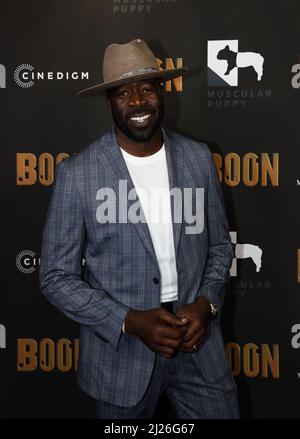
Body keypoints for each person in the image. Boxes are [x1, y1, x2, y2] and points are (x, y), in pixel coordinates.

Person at [40, 38, 239, 419]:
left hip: (199, 345)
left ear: (162, 93)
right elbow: (54, 276)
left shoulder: (198, 159)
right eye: (123, 93)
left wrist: (207, 303)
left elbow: (218, 247)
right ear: (109, 102)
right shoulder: (78, 175)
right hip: (120, 356)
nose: (137, 102)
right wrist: (128, 321)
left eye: (146, 89)